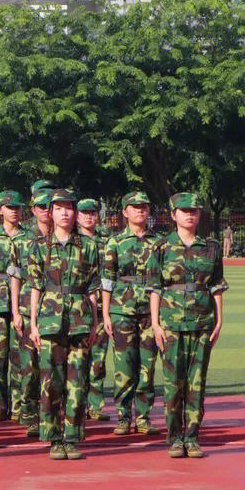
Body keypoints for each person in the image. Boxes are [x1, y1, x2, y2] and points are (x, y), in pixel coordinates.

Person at [147, 192, 227, 459]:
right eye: (184, 211)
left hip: (202, 323)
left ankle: (192, 438)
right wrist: (156, 324)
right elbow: (155, 288)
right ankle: (174, 438)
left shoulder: (212, 248)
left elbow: (216, 286)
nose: (190, 214)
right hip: (170, 324)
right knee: (173, 384)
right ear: (173, 215)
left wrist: (219, 320)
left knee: (196, 383)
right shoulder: (161, 248)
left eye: (194, 210)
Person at [27, 189, 101, 460]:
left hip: (80, 320)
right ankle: (53, 437)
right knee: (50, 382)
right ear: (50, 213)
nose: (65, 213)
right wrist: (33, 324)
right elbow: (35, 287)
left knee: (77, 382)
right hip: (49, 321)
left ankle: (72, 437)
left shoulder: (90, 246)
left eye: (69, 208)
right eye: (59, 208)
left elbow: (93, 288)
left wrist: (94, 324)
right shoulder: (38, 246)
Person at [102, 191, 163, 435]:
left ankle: (144, 416)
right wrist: (106, 314)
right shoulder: (115, 242)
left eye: (144, 207)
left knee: (147, 366)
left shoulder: (159, 243)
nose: (140, 210)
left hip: (150, 311)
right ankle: (124, 415)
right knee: (124, 366)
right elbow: (106, 279)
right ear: (124, 212)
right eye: (134, 207)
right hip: (122, 311)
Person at [8, 185, 54, 436]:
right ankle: (29, 414)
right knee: (28, 368)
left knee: (53, 368)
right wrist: (15, 311)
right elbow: (15, 278)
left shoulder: (64, 239)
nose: (46, 211)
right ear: (34, 210)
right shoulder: (23, 240)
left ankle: (50, 415)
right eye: (42, 207)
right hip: (28, 311)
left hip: (56, 313)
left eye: (51, 207)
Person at [0, 190, 26, 422]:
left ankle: (20, 405)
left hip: (22, 305)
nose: (14, 211)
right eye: (9, 207)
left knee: (20, 357)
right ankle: (0, 404)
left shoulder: (29, 238)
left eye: (17, 207)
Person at [77, 198, 112, 422]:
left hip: (101, 305)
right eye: (84, 213)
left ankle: (96, 405)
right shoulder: (73, 242)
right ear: (77, 216)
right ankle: (77, 404)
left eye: (92, 213)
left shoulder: (106, 242)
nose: (89, 216)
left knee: (98, 359)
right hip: (78, 307)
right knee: (78, 359)